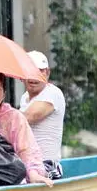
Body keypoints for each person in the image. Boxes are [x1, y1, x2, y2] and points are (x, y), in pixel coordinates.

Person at [19, 51, 66, 179]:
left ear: (47, 73)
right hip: (26, 164)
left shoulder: (52, 93)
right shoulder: (24, 98)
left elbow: (27, 118)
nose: (35, 77)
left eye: (40, 71)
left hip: (47, 165)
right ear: (22, 74)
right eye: (30, 71)